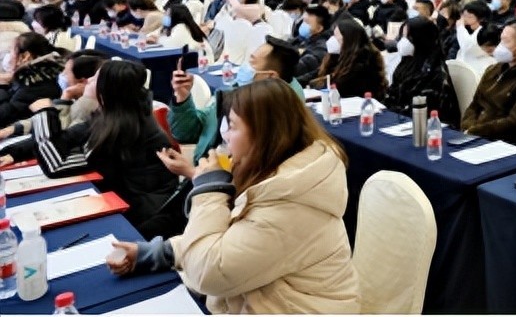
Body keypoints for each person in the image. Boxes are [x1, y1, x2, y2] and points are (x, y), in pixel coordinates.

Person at [111, 79, 361, 313]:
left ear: (264, 134)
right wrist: (161, 252)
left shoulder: (291, 201)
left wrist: (209, 189)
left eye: (231, 126)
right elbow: (231, 241)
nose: (225, 135)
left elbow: (208, 272)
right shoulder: (270, 175)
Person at [23, 59, 182, 238]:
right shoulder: (120, 111)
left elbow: (56, 165)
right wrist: (13, 152)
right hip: (125, 200)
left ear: (107, 90)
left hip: (141, 220)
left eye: (96, 78)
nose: (89, 80)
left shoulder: (125, 128)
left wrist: (44, 113)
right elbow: (68, 138)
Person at [169, 36, 305, 170]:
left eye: (251, 63)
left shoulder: (273, 117)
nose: (244, 67)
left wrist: (192, 173)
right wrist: (183, 97)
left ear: (270, 76)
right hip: (206, 169)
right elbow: (187, 133)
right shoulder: (233, 91)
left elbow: (247, 173)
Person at [461, 20, 516, 147]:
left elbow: (515, 123)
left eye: (505, 42)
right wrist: (468, 127)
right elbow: (475, 104)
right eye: (501, 40)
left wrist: (475, 131)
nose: (500, 46)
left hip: (505, 143)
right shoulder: (493, 70)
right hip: (476, 135)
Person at [385, 15, 460, 126]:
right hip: (401, 119)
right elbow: (393, 94)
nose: (402, 42)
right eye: (402, 37)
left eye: (408, 38)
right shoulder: (407, 62)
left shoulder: (435, 71)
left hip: (428, 125)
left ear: (420, 40)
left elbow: (423, 108)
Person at [313, 17, 388, 99]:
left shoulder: (363, 61)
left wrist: (312, 84)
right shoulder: (337, 56)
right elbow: (316, 73)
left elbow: (338, 86)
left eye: (336, 36)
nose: (332, 39)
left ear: (348, 40)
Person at [0, 32, 63, 127]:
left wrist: (2, 85)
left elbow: (3, 116)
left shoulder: (32, 86)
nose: (8, 57)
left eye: (11, 51)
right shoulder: (42, 76)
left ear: (25, 56)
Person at [294, 5, 332, 86]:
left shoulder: (321, 47)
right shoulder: (301, 39)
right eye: (303, 22)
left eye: (307, 23)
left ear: (319, 28)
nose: (303, 25)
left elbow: (303, 66)